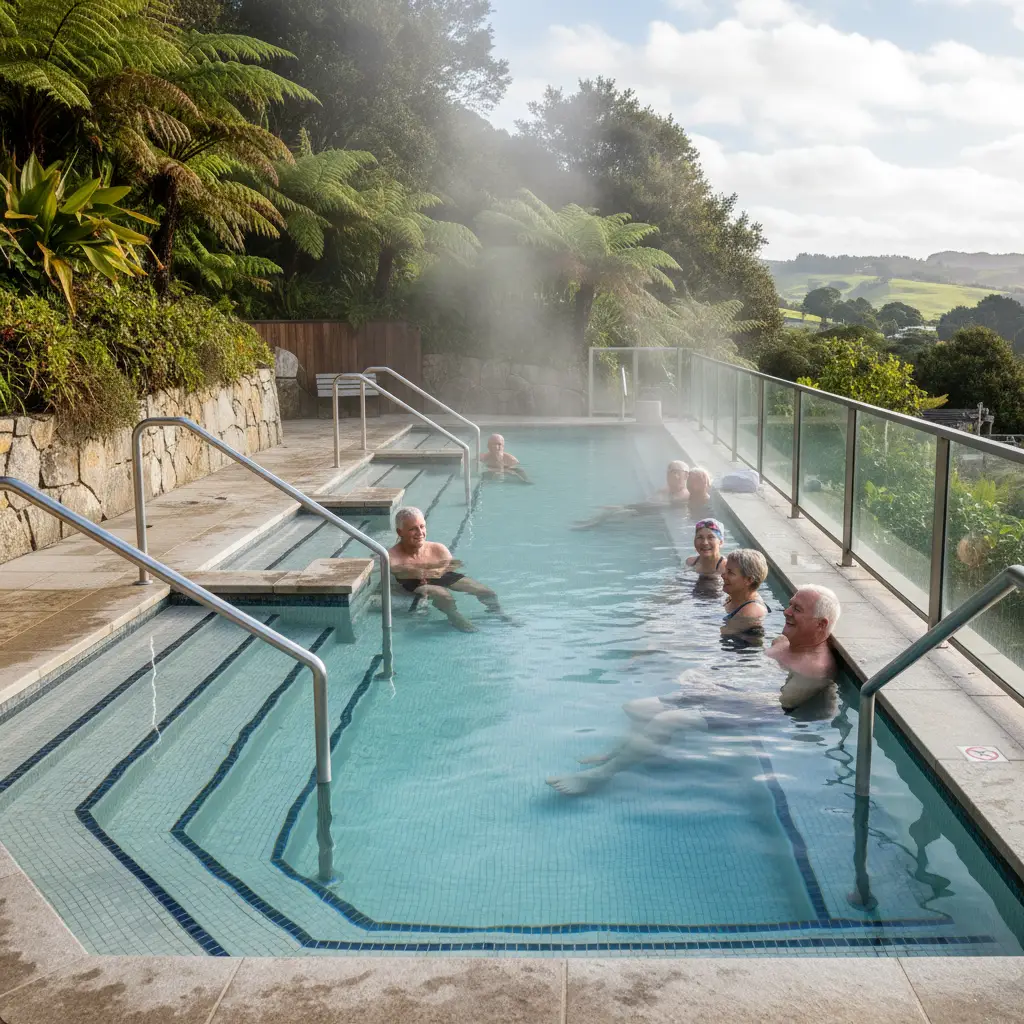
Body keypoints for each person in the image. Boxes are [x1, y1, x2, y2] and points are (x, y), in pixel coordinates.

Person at [546, 583, 842, 796]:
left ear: (821, 624)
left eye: (796, 609)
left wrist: (713, 691)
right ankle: (621, 753)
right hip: (730, 692)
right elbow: (750, 664)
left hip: (752, 710)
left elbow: (777, 706)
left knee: (667, 719)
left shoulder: (813, 668)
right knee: (636, 707)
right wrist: (708, 674)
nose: (786, 611)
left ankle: (600, 777)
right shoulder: (786, 641)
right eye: (789, 604)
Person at [388, 506, 508, 632]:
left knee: (486, 592)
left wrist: (436, 571)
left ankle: (498, 613)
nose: (420, 532)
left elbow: (455, 564)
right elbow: (400, 573)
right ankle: (454, 617)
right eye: (413, 529)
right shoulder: (392, 556)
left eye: (422, 526)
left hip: (441, 574)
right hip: (414, 582)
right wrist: (424, 571)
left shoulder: (437, 549)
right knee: (444, 596)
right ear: (400, 532)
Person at [571, 460, 689, 530]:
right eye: (671, 473)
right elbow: (652, 500)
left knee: (615, 513)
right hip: (644, 508)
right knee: (611, 510)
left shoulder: (684, 495)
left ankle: (592, 524)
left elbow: (666, 506)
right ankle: (590, 521)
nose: (673, 477)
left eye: (677, 474)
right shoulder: (666, 489)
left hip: (648, 512)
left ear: (685, 476)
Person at [720, 548, 769, 636]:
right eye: (726, 570)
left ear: (749, 580)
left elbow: (723, 633)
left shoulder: (750, 612)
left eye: (730, 572)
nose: (723, 575)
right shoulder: (733, 598)